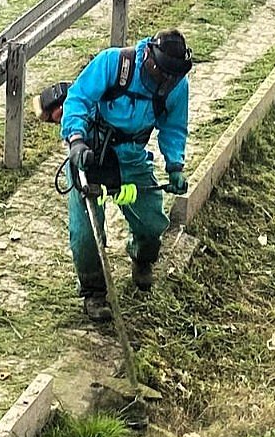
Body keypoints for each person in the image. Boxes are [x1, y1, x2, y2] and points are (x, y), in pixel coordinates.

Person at [61, 29, 192, 322]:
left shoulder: (176, 86)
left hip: (131, 155)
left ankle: (142, 257)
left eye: (172, 77)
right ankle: (94, 291)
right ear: (149, 59)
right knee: (86, 232)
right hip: (92, 149)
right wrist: (76, 139)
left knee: (152, 221)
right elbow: (78, 98)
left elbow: (174, 127)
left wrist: (175, 166)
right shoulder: (114, 63)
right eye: (163, 75)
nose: (166, 81)